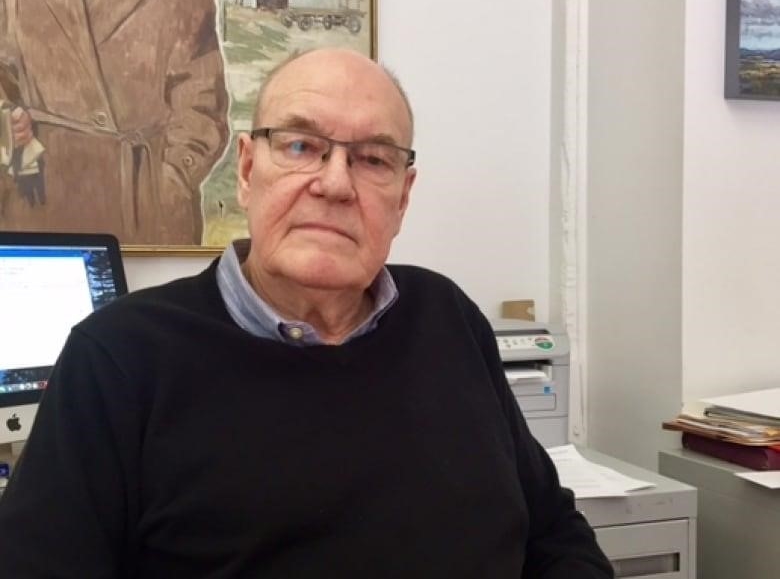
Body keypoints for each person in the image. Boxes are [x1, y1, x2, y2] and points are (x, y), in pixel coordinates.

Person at [0, 48, 614, 578]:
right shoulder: (119, 356)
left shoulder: (447, 316)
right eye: (300, 145)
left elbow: (554, 531)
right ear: (246, 170)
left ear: (403, 196)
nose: (335, 183)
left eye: (374, 159)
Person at [0, 0, 229, 245]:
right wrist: (5, 122)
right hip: (38, 196)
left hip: (142, 207)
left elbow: (201, 102)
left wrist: (170, 183)